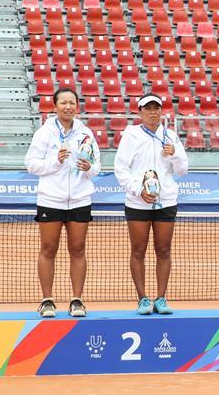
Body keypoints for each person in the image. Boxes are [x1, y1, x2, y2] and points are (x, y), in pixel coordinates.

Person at [24, 88, 100, 318]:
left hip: (79, 199)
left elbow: (97, 166)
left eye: (72, 103)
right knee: (48, 249)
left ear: (77, 106)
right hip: (50, 199)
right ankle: (47, 300)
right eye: (63, 103)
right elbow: (31, 164)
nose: (68, 106)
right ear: (55, 106)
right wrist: (54, 162)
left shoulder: (85, 133)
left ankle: (77, 300)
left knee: (78, 250)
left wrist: (90, 169)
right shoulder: (44, 133)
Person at [113, 94, 189, 315]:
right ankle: (143, 299)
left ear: (162, 112)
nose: (152, 112)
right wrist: (139, 190)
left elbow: (183, 170)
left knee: (164, 250)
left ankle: (161, 298)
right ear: (140, 112)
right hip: (138, 202)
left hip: (166, 202)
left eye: (156, 108)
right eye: (148, 108)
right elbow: (121, 169)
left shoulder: (171, 137)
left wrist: (174, 156)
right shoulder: (131, 136)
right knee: (138, 250)